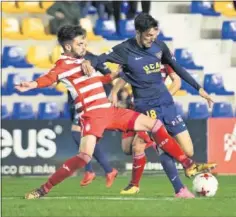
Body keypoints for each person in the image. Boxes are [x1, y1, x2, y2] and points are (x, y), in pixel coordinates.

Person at [15, 25, 212, 199]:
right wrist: (32, 84)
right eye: (80, 44)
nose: (84, 47)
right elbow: (50, 78)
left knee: (155, 125)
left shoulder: (86, 62)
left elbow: (100, 80)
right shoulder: (63, 65)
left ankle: (188, 164)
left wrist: (114, 74)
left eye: (84, 43)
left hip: (111, 111)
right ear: (68, 47)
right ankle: (44, 189)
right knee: (84, 157)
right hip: (92, 115)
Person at [82, 13, 217, 197]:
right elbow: (102, 58)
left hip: (166, 103)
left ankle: (186, 167)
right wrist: (89, 62)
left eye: (154, 35)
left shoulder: (159, 46)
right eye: (148, 36)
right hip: (146, 107)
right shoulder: (125, 50)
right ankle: (179, 189)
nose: (152, 39)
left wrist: (199, 89)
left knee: (188, 149)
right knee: (162, 146)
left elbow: (178, 69)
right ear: (138, 32)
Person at [68, 50, 118, 187]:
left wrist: (110, 93)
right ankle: (107, 170)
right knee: (85, 136)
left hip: (92, 101)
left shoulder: (92, 58)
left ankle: (91, 171)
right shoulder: (69, 60)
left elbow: (109, 75)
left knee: (79, 133)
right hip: (80, 101)